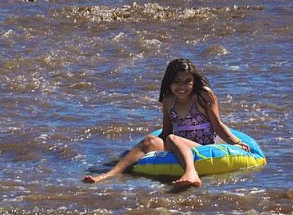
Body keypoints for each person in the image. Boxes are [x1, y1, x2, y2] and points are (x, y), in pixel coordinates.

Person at [83, 57, 250, 188]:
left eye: (187, 81)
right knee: (153, 139)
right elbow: (165, 131)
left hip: (202, 146)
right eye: (177, 81)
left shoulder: (203, 95)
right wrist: (141, 149)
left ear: (194, 81)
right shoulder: (168, 101)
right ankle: (108, 175)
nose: (182, 86)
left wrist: (236, 142)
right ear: (169, 82)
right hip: (177, 144)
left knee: (172, 139)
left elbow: (217, 125)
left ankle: (191, 174)